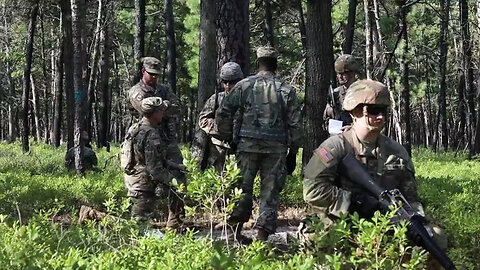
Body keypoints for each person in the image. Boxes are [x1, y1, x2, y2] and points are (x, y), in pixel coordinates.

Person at [301, 79, 447, 258]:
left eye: (384, 111)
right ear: (355, 112)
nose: (381, 117)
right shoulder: (335, 147)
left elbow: (410, 197)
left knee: (434, 238)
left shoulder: (396, 151)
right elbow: (312, 191)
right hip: (340, 221)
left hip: (384, 222)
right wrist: (355, 201)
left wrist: (416, 219)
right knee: (320, 237)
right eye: (373, 111)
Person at [216, 46, 303, 243]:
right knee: (270, 193)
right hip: (276, 150)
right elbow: (296, 126)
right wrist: (293, 153)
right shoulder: (286, 90)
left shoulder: (244, 86)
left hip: (246, 147)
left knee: (241, 189)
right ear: (276, 65)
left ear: (258, 64)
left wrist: (228, 138)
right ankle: (263, 237)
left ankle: (234, 234)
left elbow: (223, 112)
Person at [123, 97, 184, 229]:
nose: (163, 113)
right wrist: (175, 182)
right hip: (143, 185)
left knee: (138, 223)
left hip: (133, 179)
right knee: (139, 227)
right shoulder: (151, 134)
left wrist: (175, 166)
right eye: (161, 111)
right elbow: (155, 170)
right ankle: (91, 214)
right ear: (155, 113)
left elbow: (148, 158)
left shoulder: (135, 128)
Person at [127, 56, 186, 185]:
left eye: (157, 75)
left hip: (166, 137)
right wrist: (164, 106)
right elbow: (145, 110)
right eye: (151, 74)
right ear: (143, 71)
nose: (154, 77)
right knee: (148, 174)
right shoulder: (136, 91)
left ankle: (177, 201)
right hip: (147, 137)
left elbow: (177, 108)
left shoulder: (164, 89)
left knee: (178, 170)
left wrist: (162, 107)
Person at [196, 62, 244, 172]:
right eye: (225, 81)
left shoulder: (247, 100)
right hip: (218, 149)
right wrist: (219, 127)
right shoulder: (217, 98)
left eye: (232, 82)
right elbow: (203, 119)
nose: (228, 85)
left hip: (240, 148)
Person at [324, 54, 360, 128]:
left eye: (343, 74)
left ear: (352, 73)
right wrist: (329, 110)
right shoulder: (336, 93)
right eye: (338, 73)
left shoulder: (361, 92)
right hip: (338, 132)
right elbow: (326, 115)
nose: (340, 76)